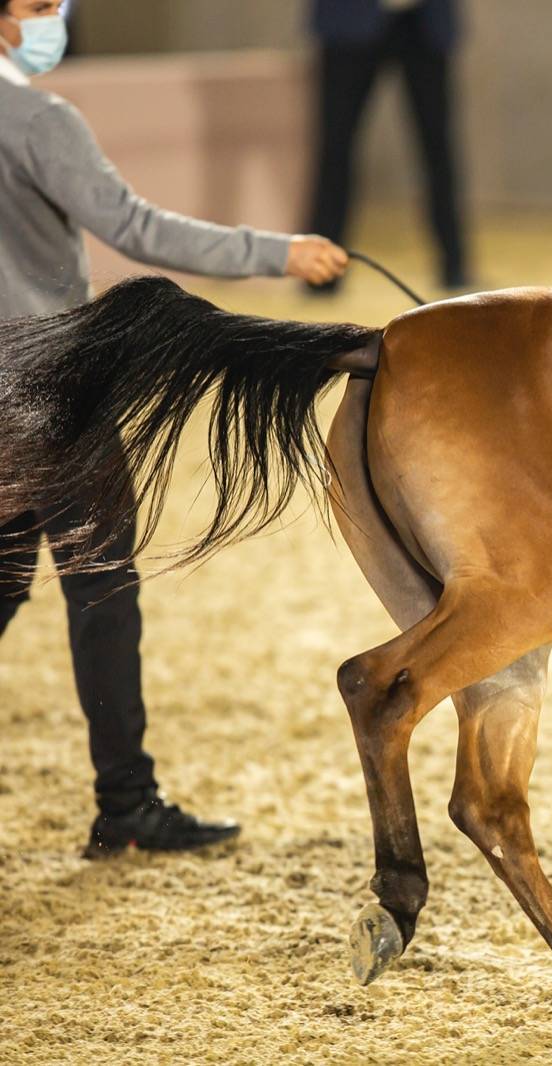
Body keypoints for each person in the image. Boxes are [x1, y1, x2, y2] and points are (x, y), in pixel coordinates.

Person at [0, 0, 350, 857]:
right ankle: (127, 801)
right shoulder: (38, 119)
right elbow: (134, 227)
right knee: (104, 590)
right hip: (45, 393)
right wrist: (276, 252)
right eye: (43, 6)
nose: (58, 19)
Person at [307, 0, 469, 292]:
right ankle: (321, 273)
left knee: (438, 148)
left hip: (424, 20)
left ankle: (455, 266)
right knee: (335, 149)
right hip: (351, 19)